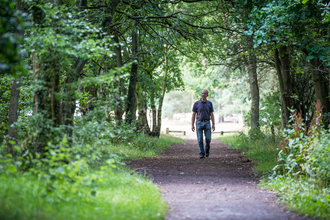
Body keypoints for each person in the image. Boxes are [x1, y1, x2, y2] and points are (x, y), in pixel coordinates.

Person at [191, 89, 215, 158]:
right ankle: (201, 152)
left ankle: (207, 149)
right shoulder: (196, 103)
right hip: (199, 122)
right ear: (201, 94)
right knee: (200, 139)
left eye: (205, 93)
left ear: (207, 95)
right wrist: (192, 125)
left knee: (208, 139)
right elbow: (193, 114)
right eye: (202, 93)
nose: (203, 95)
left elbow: (212, 114)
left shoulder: (209, 103)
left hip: (207, 122)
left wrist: (213, 124)